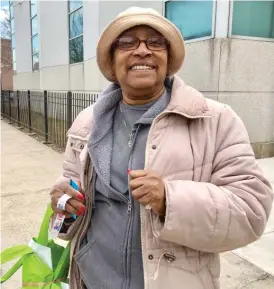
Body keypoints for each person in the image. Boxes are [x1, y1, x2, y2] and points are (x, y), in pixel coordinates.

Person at [50, 7, 273, 289]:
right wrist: (63, 205)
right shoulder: (87, 123)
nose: (142, 51)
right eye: (127, 43)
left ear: (168, 59)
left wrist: (170, 200)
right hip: (91, 280)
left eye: (155, 43)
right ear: (111, 60)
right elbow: (67, 209)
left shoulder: (215, 120)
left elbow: (251, 210)